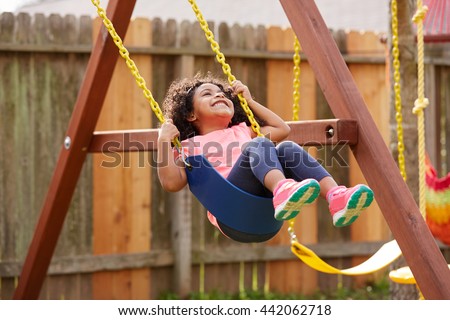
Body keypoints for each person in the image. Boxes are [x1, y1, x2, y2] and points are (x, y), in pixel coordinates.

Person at [157, 73, 374, 243]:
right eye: (207, 94)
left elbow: (283, 129)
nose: (219, 95)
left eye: (223, 93)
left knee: (287, 147)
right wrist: (163, 141)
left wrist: (250, 101)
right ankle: (282, 189)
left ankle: (337, 198)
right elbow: (172, 183)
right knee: (260, 143)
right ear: (190, 114)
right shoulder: (187, 147)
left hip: (263, 211)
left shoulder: (242, 130)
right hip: (231, 211)